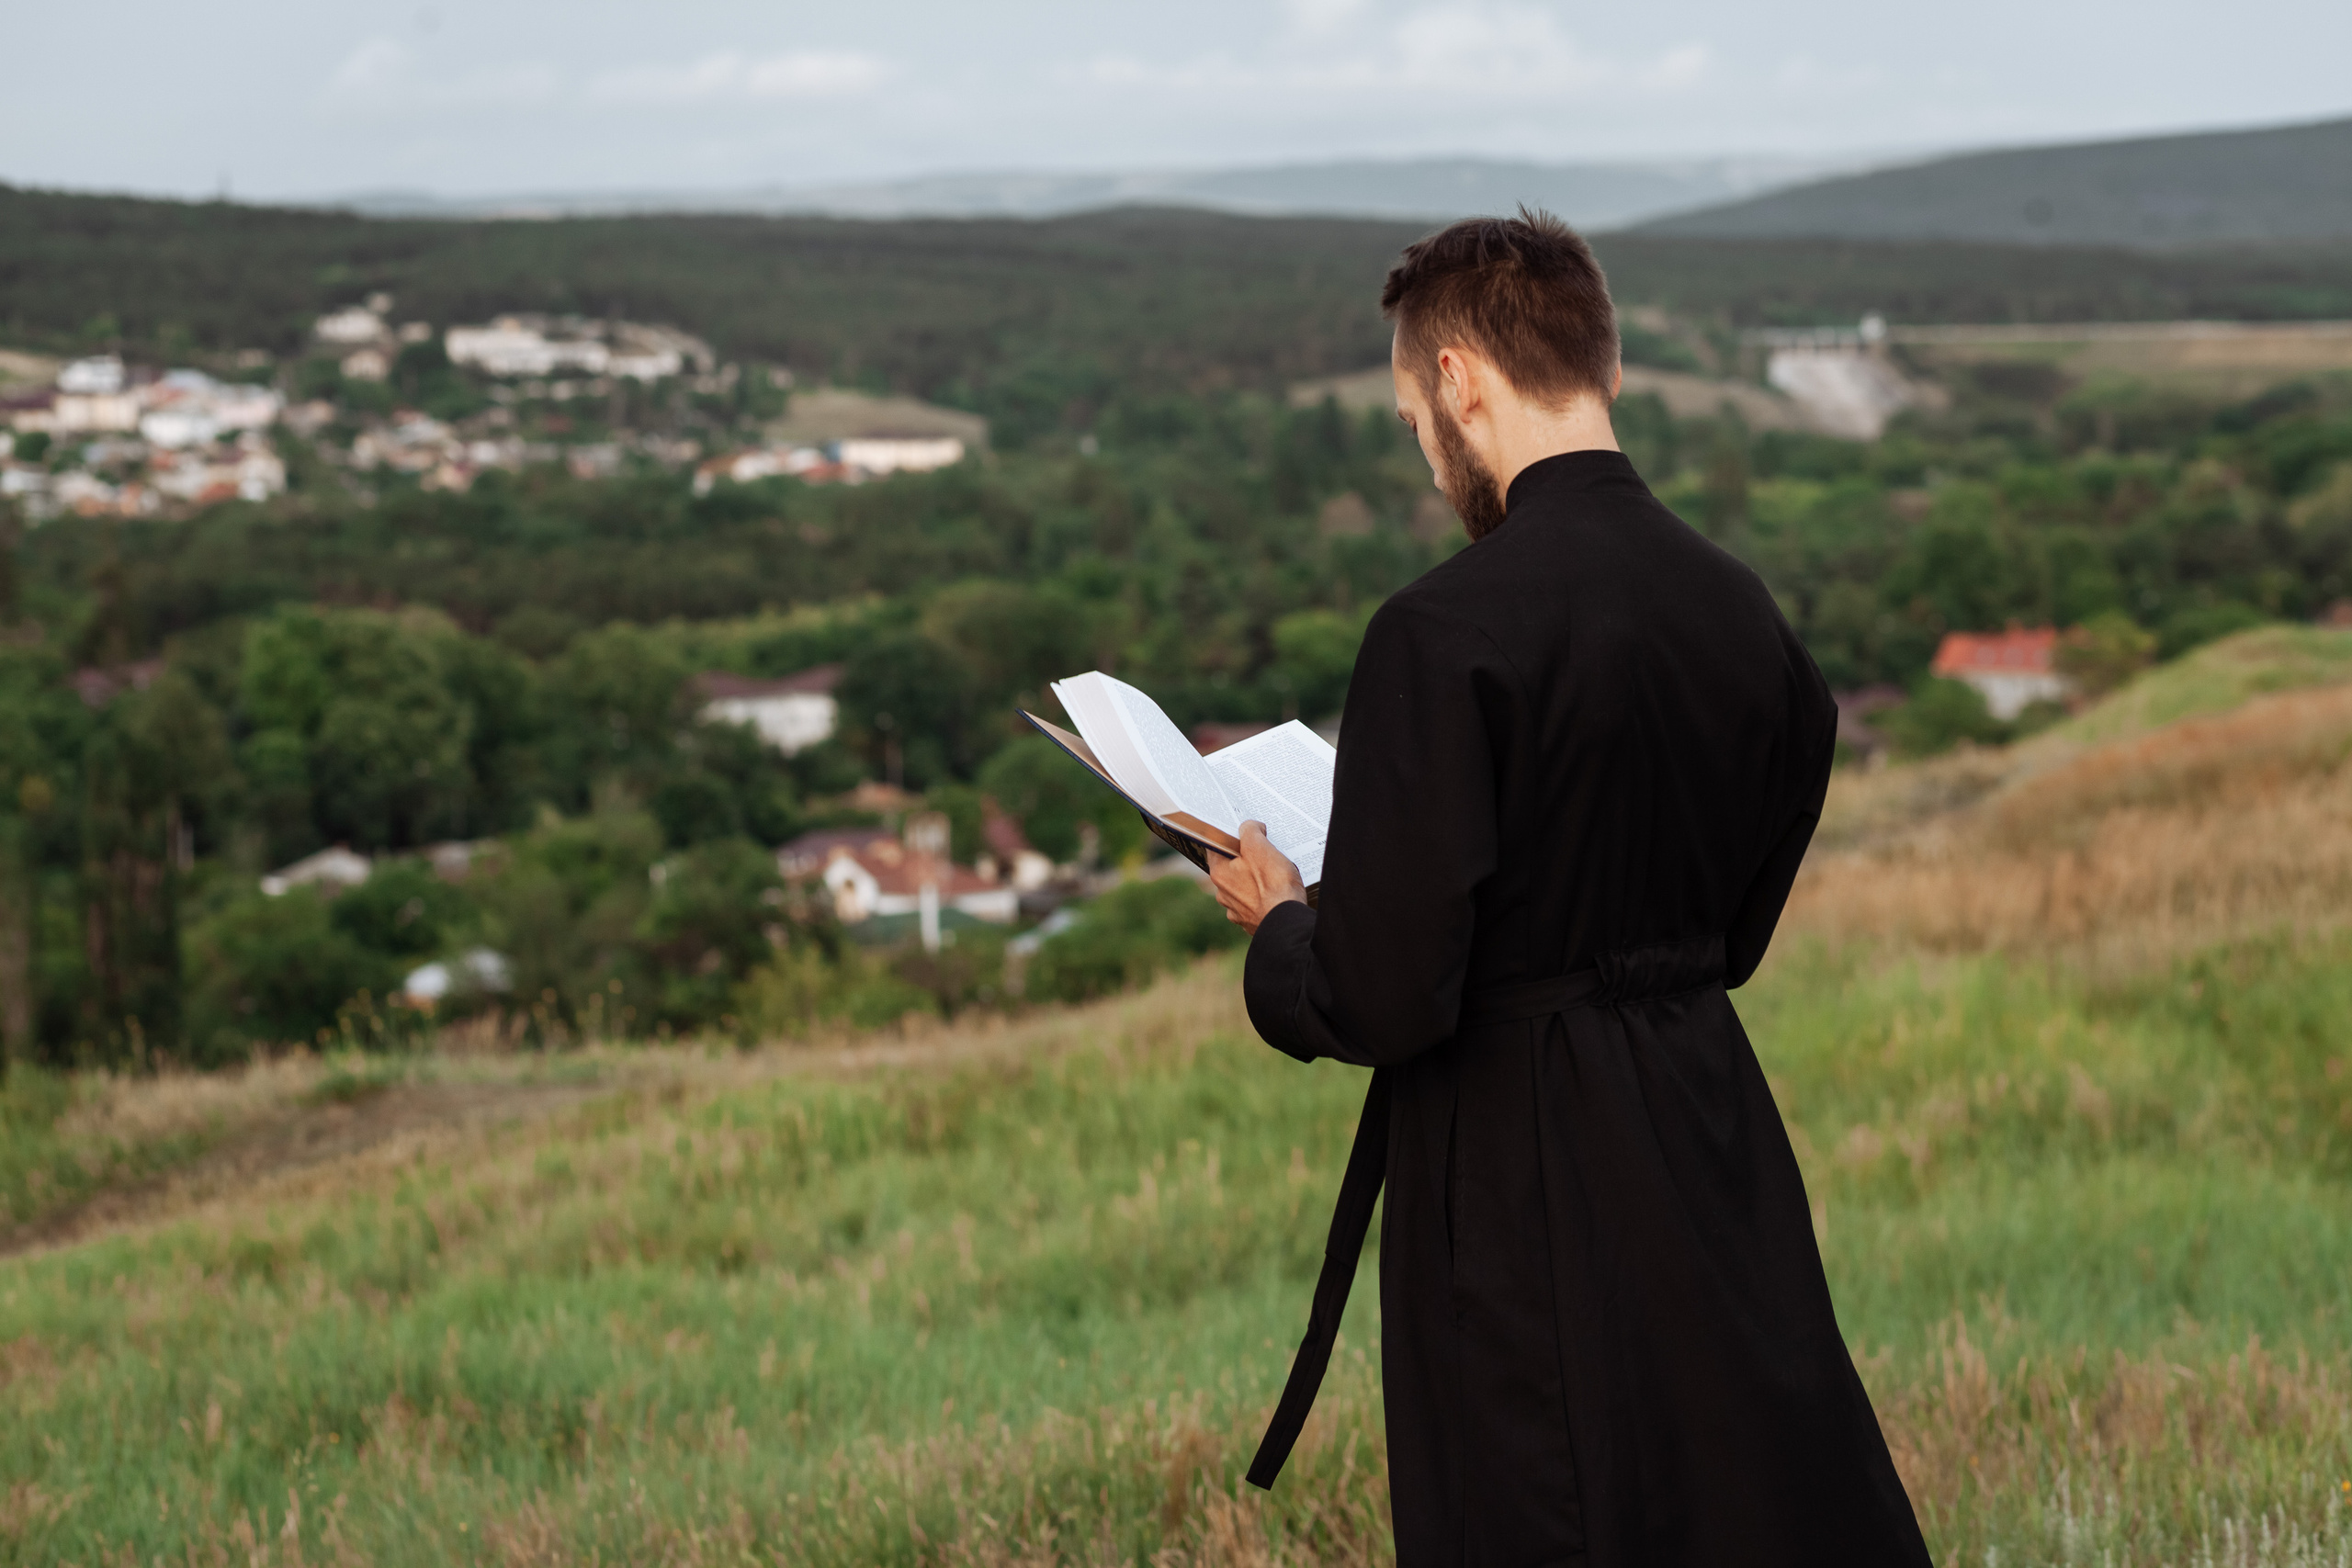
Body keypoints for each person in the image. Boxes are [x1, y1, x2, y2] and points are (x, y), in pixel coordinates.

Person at [1206, 209, 1932, 1567]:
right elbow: (1740, 927)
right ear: (1599, 362)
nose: (1425, 450)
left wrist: (1284, 927)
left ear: (1460, 380)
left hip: (1518, 1164)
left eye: (1416, 414)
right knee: (1748, 1499)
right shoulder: (1742, 610)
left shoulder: (1440, 630)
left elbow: (1387, 994)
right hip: (1711, 1129)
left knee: (1548, 1512)